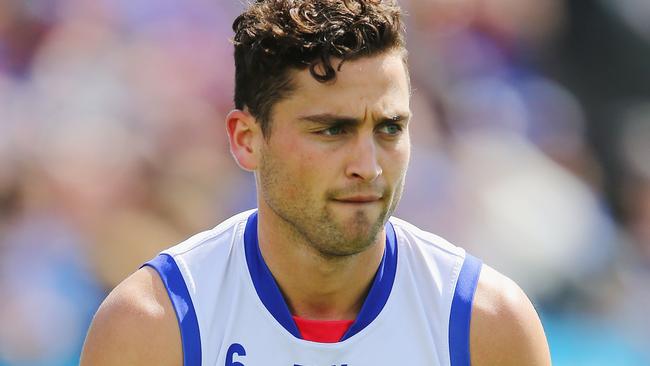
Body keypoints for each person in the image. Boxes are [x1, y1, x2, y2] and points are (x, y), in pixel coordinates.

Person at [80, 1, 551, 365]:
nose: (368, 166)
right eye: (332, 130)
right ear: (247, 140)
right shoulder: (151, 326)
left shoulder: (485, 323)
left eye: (389, 128)